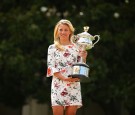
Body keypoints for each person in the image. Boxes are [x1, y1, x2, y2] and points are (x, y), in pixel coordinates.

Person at [46, 19, 87, 115]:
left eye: (66, 30)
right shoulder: (52, 48)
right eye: (61, 30)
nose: (63, 32)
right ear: (57, 31)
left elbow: (81, 66)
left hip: (73, 84)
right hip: (58, 85)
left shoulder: (77, 47)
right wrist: (65, 78)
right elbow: (51, 67)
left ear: (70, 32)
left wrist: (84, 58)